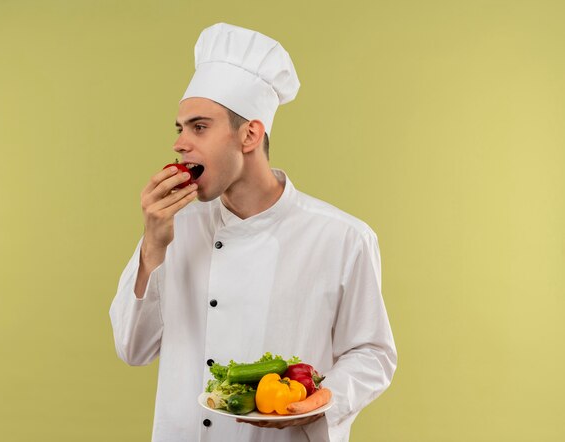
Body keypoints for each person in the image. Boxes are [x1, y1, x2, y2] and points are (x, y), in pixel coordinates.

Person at [109, 23, 397, 442]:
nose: (180, 143)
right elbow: (132, 349)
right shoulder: (175, 229)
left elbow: (373, 353)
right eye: (180, 128)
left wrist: (322, 398)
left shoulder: (343, 238)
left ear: (250, 134)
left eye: (199, 127)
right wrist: (153, 243)